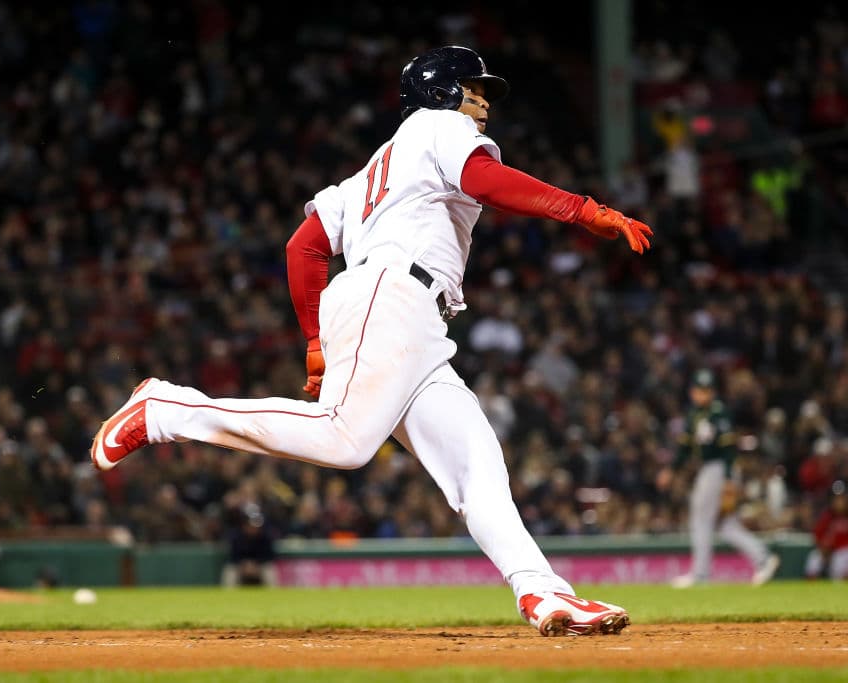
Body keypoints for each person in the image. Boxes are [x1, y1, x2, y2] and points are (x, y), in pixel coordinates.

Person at [91, 45, 653, 636]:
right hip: (392, 295)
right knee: (345, 440)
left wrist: (314, 338)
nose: (484, 100)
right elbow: (481, 180)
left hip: (410, 319)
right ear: (441, 93)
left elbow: (303, 246)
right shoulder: (439, 127)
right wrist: (581, 209)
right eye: (474, 87)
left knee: (476, 467)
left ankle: (545, 594)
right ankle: (167, 410)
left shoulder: (370, 173)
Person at [660, 369, 781, 588]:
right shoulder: (694, 415)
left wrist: (727, 478)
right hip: (710, 469)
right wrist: (672, 469)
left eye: (706, 390)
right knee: (726, 525)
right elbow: (685, 448)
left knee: (700, 518)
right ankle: (763, 558)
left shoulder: (718, 413)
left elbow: (728, 448)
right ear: (692, 391)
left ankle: (701, 574)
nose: (702, 394)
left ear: (713, 391)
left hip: (717, 468)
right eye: (699, 389)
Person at [804, 480, 848, 580]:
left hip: (843, 553)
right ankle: (810, 589)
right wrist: (825, 550)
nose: (839, 501)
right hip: (829, 552)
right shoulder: (827, 517)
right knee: (814, 558)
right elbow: (818, 538)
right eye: (836, 498)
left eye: (841, 498)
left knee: (840, 559)